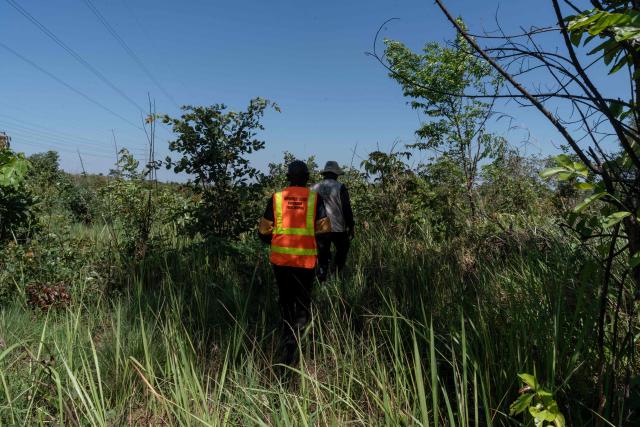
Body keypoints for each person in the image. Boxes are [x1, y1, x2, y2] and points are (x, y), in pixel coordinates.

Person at [258, 160, 331, 365]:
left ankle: (287, 337)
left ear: (288, 178)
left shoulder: (277, 198)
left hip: (281, 262)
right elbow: (324, 234)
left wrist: (275, 240)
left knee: (285, 298)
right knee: (302, 301)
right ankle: (297, 342)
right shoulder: (315, 199)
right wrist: (323, 262)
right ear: (307, 178)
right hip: (306, 262)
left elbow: (263, 232)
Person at [311, 161, 355, 281]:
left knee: (323, 254)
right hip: (338, 228)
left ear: (325, 174)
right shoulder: (340, 187)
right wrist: (351, 226)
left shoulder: (313, 188)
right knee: (342, 250)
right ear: (336, 174)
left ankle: (322, 277)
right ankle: (335, 274)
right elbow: (346, 208)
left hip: (319, 228)